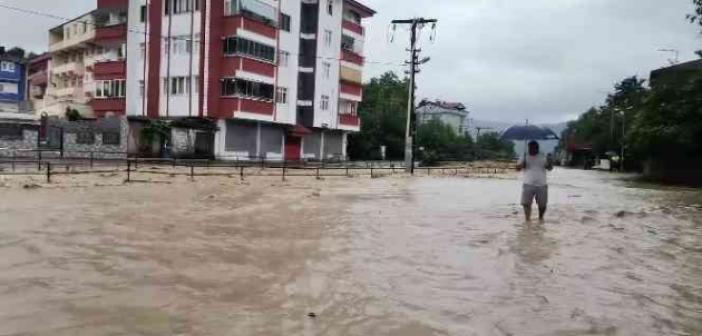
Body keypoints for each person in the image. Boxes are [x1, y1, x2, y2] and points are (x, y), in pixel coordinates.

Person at [516, 141, 554, 222]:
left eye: (534, 148)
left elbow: (549, 168)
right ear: (528, 147)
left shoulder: (543, 155)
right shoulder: (524, 155)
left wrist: (550, 162)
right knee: (526, 204)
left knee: (542, 205)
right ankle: (527, 220)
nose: (532, 150)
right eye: (530, 148)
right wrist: (521, 165)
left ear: (537, 148)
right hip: (528, 183)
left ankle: (540, 218)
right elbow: (517, 168)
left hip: (542, 184)